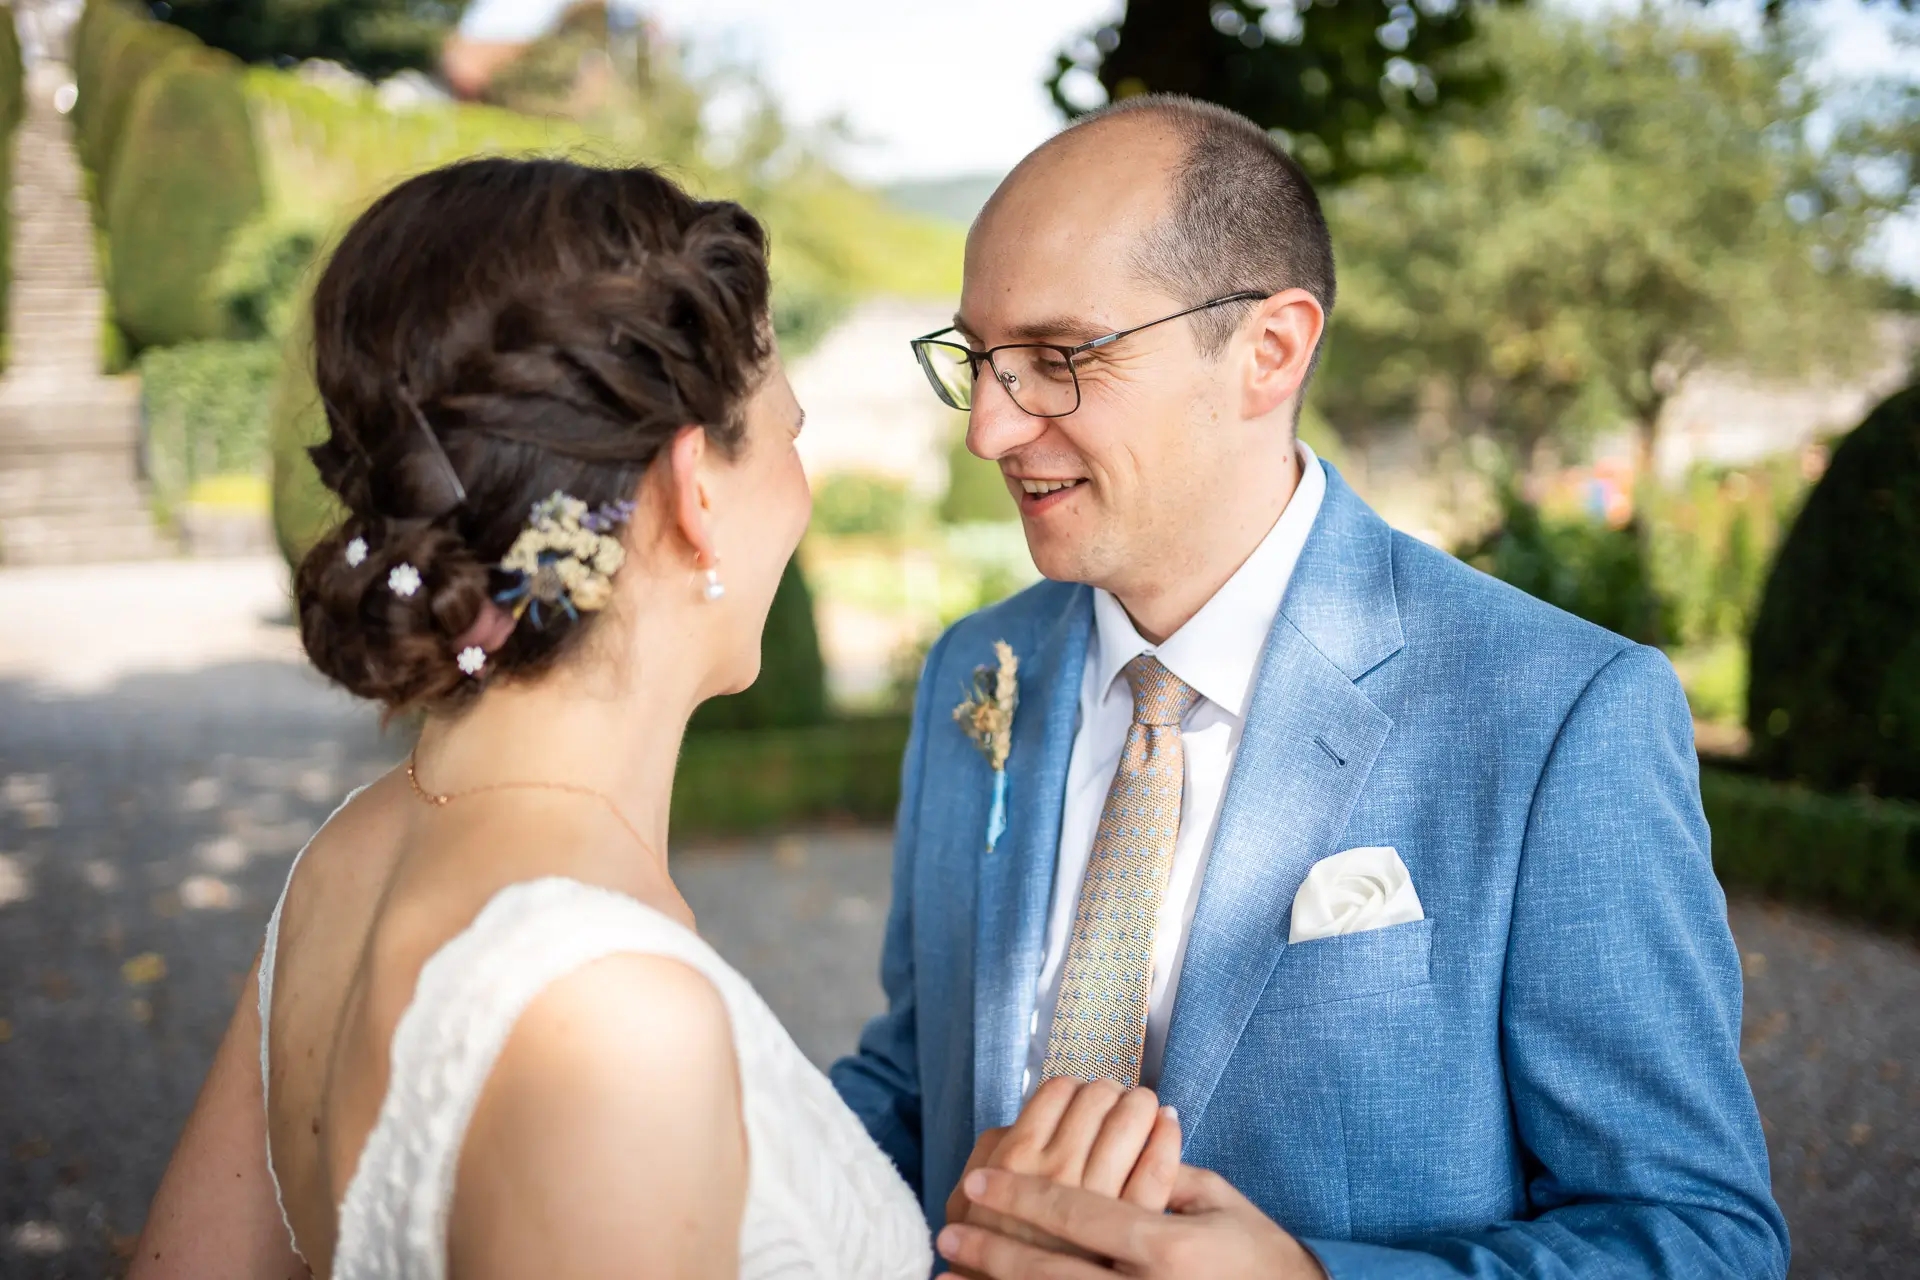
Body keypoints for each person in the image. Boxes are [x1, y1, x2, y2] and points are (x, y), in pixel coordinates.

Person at [128, 157, 1180, 1279]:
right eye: (788, 433)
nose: (802, 487)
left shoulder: (346, 854)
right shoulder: (613, 1019)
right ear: (698, 490)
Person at [829, 94, 1789, 1278]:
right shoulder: (976, 671)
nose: (988, 427)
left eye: (1058, 359)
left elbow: (1701, 1236)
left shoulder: (1559, 713)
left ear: (1270, 350)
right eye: (977, 359)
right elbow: (918, 1080)